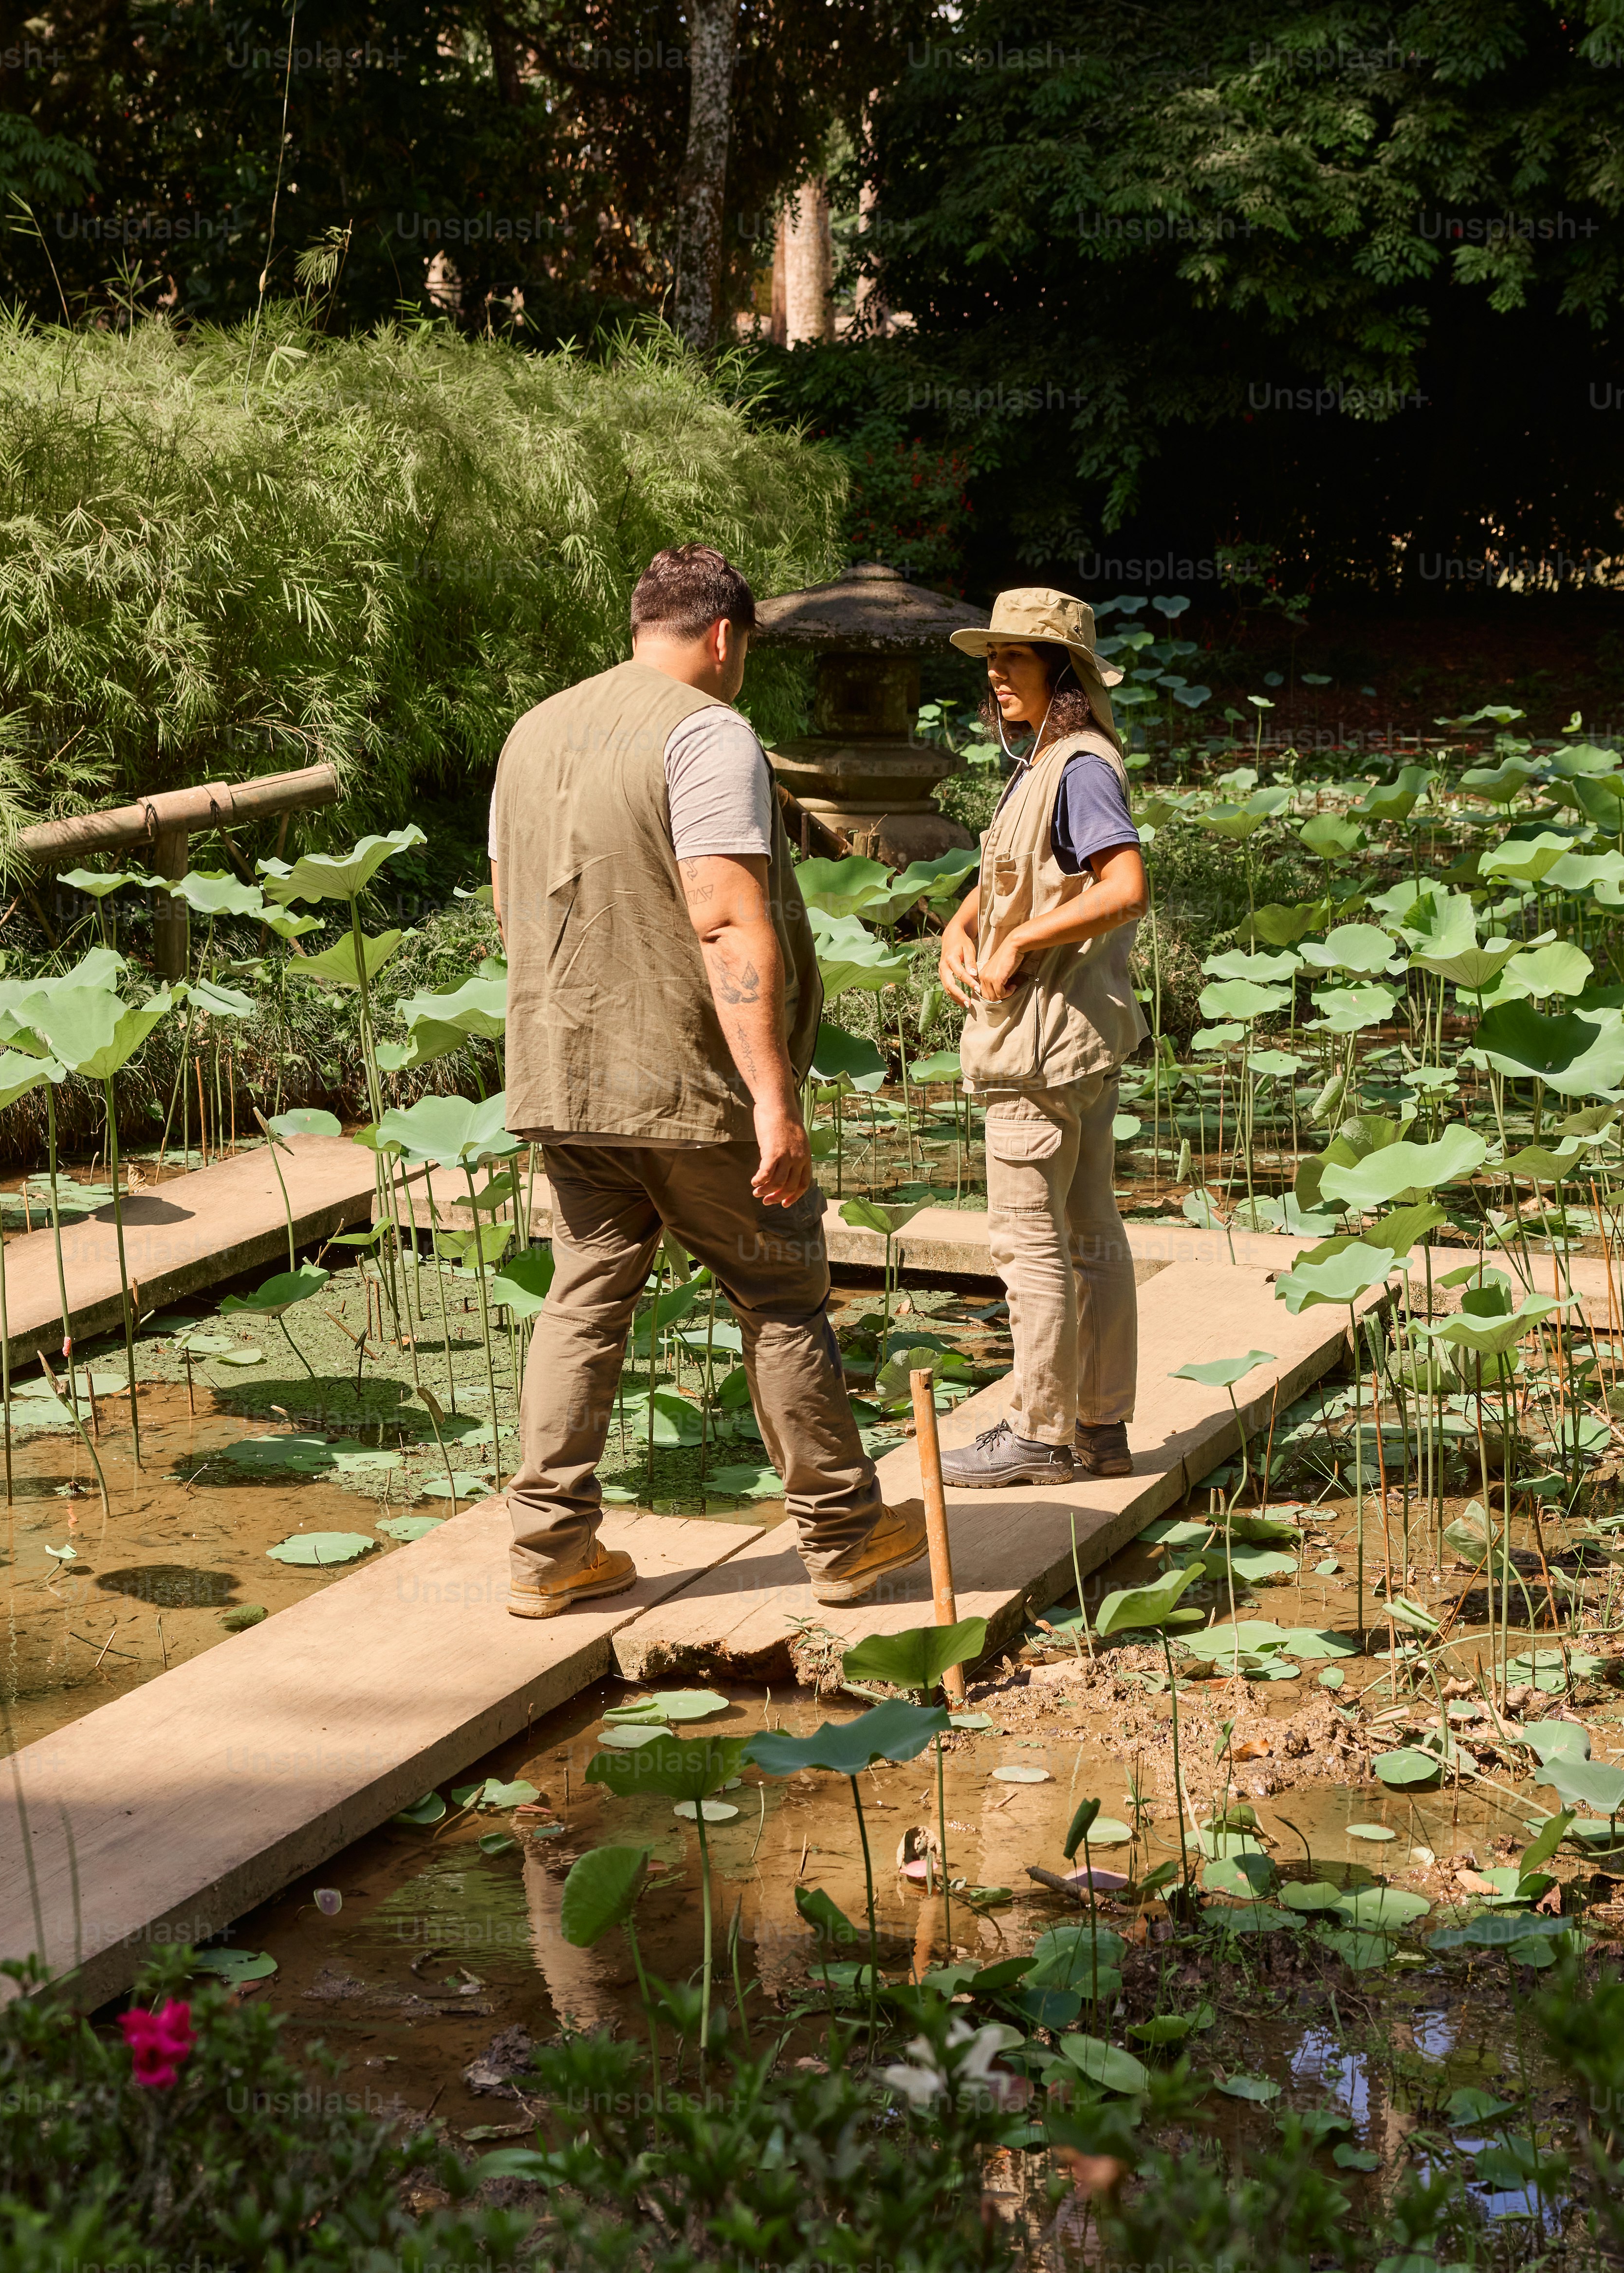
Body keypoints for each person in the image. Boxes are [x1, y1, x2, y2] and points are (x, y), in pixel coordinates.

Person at [485, 543, 927, 1616]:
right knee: (778, 1291)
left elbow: (508, 905)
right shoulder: (708, 732)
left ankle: (548, 1549)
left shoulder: (533, 727)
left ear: (644, 622)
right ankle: (842, 1533)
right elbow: (726, 916)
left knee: (584, 1294)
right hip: (686, 1081)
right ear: (724, 637)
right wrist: (773, 1097)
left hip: (561, 1072)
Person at [931, 588, 1150, 1488]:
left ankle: (1036, 1434)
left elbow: (1124, 884)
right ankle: (1098, 1430)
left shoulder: (1082, 766)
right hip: (1076, 1044)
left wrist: (1017, 940)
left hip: (1042, 1047)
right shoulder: (1045, 763)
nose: (995, 672)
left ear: (1064, 674)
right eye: (993, 658)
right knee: (1090, 1234)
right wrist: (968, 917)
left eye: (1015, 659)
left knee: (1029, 1244)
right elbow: (1028, 870)